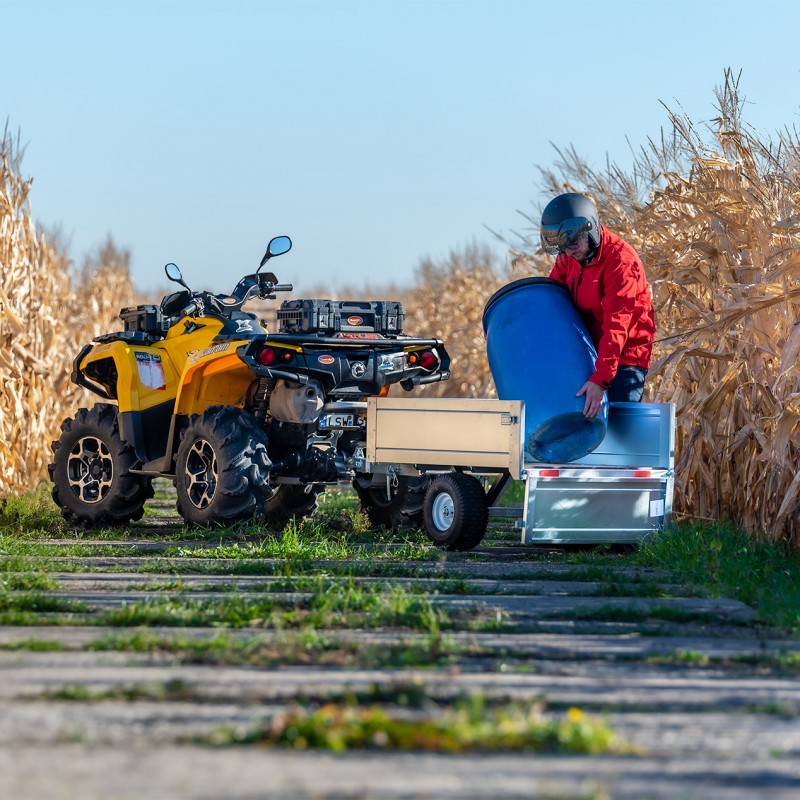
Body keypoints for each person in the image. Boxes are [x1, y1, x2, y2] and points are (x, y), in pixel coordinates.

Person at [540, 192, 656, 419]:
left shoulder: (621, 263)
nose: (568, 253)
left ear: (590, 230)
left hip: (624, 358)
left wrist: (601, 379)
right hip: (588, 351)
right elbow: (552, 298)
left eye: (572, 244)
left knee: (617, 430)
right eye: (562, 248)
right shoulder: (569, 257)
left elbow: (617, 327)